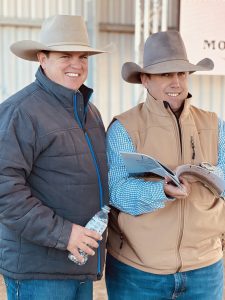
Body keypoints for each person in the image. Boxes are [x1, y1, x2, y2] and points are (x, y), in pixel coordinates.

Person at [105, 30, 225, 300]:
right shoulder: (124, 128)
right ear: (145, 79)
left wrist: (211, 175)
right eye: (165, 74)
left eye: (182, 73)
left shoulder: (214, 124)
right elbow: (115, 190)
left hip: (205, 267)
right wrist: (161, 192)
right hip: (138, 270)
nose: (176, 82)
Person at [0, 14, 108, 300]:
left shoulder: (90, 112)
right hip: (40, 272)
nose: (77, 64)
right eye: (65, 56)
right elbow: (4, 190)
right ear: (42, 58)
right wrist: (64, 234)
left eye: (82, 56)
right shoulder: (21, 111)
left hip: (80, 265)